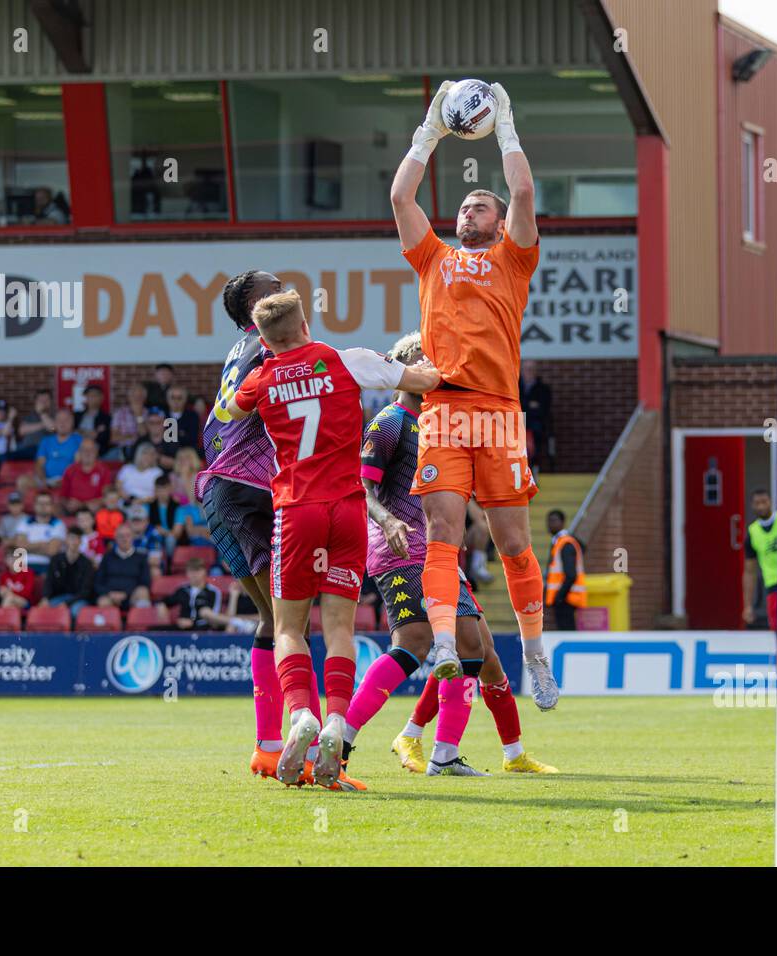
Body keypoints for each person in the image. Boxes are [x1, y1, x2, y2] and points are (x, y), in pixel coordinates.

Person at [220, 286, 441, 790]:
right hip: (348, 510)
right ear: (305, 323)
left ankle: (301, 715)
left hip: (296, 510)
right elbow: (425, 379)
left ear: (263, 338)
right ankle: (337, 722)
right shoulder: (347, 361)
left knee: (288, 628)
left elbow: (232, 411)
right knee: (341, 628)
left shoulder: (261, 377)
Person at [391, 79, 560, 710]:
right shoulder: (432, 256)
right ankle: (441, 644)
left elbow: (521, 190)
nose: (468, 211)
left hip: (497, 413)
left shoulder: (514, 259)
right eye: (463, 206)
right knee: (442, 531)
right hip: (443, 409)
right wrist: (431, 129)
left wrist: (506, 123)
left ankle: (535, 653)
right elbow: (400, 195)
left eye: (478, 207)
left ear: (499, 223)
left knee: (514, 541)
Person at [349, 333, 554, 776]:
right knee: (417, 643)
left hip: (438, 556)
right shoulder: (388, 422)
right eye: (425, 357)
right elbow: (360, 489)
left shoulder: (439, 427)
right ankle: (344, 737)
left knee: (473, 646)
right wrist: (387, 521)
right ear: (401, 365)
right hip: (399, 549)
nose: (434, 366)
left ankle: (447, 753)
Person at [198, 269, 285, 778]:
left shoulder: (238, 351)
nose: (290, 291)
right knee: (291, 621)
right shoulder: (270, 345)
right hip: (251, 488)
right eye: (279, 286)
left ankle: (267, 745)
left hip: (218, 489)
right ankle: (307, 744)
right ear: (258, 301)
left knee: (273, 620)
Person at [742, 489, 777, 631]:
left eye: (764, 502)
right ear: (752, 506)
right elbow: (749, 571)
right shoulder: (753, 532)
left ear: (770, 502)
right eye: (757, 503)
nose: (761, 506)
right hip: (772, 585)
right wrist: (748, 606)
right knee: (776, 628)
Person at [95, 522, 152, 611]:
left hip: (132, 595)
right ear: (115, 538)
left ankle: (141, 624)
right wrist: (110, 593)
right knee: (102, 601)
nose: (124, 539)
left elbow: (145, 582)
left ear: (133, 537)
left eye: (127, 535)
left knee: (143, 591)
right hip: (110, 596)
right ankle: (110, 625)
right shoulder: (107, 557)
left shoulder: (141, 557)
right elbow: (98, 582)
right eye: (121, 536)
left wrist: (126, 593)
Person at [545, 508, 586, 631]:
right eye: (549, 521)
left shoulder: (565, 543)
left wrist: (559, 597)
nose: (550, 524)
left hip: (566, 598)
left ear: (562, 522)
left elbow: (571, 574)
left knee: (567, 631)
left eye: (554, 521)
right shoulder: (561, 541)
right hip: (565, 597)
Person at [42, 529, 96, 619]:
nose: (74, 542)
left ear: (80, 542)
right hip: (58, 597)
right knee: (45, 609)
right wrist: (45, 598)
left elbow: (86, 591)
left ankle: (76, 633)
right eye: (71, 538)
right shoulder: (56, 560)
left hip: (79, 599)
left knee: (75, 611)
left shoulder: (86, 563)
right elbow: (49, 581)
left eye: (77, 539)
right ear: (66, 540)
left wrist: (67, 603)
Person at [8, 491, 64, 575]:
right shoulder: (25, 522)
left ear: (52, 506)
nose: (43, 506)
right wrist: (41, 544)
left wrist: (28, 547)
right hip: (23, 565)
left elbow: (52, 551)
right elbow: (19, 547)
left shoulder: (58, 524)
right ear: (34, 505)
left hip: (47, 565)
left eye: (46, 503)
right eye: (40, 503)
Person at [159, 558, 223, 630]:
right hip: (182, 629)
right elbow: (166, 601)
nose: (194, 574)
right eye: (191, 571)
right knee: (155, 630)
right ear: (187, 573)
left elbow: (214, 617)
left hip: (203, 629)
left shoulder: (213, 591)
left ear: (204, 571)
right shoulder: (182, 590)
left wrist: (192, 623)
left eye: (197, 570)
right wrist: (162, 605)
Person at [59, 438, 113, 514]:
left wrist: (99, 502)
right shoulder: (70, 470)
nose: (87, 453)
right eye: (84, 450)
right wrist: (68, 504)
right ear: (79, 452)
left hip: (95, 511)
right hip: (73, 511)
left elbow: (107, 496)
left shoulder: (104, 471)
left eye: (91, 450)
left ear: (96, 452)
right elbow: (62, 497)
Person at [34, 409, 81, 488]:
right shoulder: (46, 441)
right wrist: (43, 480)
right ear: (55, 423)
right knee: (23, 481)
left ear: (72, 422)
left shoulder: (79, 440)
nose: (62, 423)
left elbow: (78, 465)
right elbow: (39, 464)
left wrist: (65, 480)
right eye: (59, 420)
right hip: (46, 480)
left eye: (66, 420)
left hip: (70, 480)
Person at [521, 360, 553, 473]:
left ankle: (532, 472)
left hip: (534, 426)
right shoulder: (514, 386)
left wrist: (524, 408)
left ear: (536, 371)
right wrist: (530, 406)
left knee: (536, 436)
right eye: (526, 369)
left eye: (531, 369)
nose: (528, 371)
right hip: (515, 424)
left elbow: (543, 410)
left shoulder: (543, 389)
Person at [11, 389, 56, 460]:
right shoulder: (29, 417)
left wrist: (42, 413)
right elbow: (21, 431)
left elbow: (52, 428)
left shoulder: (55, 416)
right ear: (35, 402)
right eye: (41, 400)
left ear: (51, 402)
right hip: (27, 448)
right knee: (7, 457)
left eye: (46, 400)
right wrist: (44, 424)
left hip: (46, 449)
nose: (43, 403)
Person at [110, 382, 151, 458]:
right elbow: (114, 438)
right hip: (122, 449)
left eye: (139, 396)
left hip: (142, 451)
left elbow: (144, 435)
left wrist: (139, 415)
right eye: (134, 396)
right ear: (129, 397)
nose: (136, 399)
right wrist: (133, 437)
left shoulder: (149, 413)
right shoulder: (119, 413)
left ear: (144, 398)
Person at [125, 504, 165, 577]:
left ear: (147, 521)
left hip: (145, 567)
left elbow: (155, 560)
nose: (136, 523)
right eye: (134, 520)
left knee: (155, 571)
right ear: (128, 522)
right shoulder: (123, 533)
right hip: (128, 565)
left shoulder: (153, 534)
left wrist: (131, 560)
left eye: (139, 520)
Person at [0, 546, 40, 611]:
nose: (13, 561)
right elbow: (2, 592)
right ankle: (5, 619)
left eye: (16, 558)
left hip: (26, 602)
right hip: (10, 601)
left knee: (9, 598)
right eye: (10, 558)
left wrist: (10, 593)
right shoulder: (4, 575)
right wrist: (2, 592)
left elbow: (27, 594)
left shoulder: (28, 572)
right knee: (11, 605)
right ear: (5, 560)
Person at [74, 384, 112, 455]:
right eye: (88, 395)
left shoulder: (106, 418)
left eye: (94, 395)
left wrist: (81, 432)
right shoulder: (77, 415)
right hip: (75, 449)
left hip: (96, 452)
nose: (91, 398)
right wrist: (93, 432)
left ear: (101, 398)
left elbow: (104, 438)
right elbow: (71, 432)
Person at [164, 385, 200, 450]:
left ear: (185, 399)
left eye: (179, 398)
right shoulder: (162, 415)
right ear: (167, 399)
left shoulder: (192, 416)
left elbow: (192, 440)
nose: (176, 401)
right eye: (172, 397)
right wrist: (181, 433)